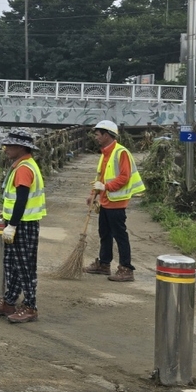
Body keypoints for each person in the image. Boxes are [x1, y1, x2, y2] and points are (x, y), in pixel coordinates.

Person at [0, 130, 46, 324]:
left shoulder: (24, 169)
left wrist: (12, 225)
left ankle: (30, 306)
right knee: (11, 264)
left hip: (23, 224)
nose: (5, 149)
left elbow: (21, 200)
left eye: (9, 146)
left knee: (24, 267)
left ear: (21, 148)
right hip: (18, 222)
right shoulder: (22, 165)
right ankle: (10, 301)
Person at [83, 119, 145, 282]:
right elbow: (100, 177)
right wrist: (93, 194)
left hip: (117, 201)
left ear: (106, 135)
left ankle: (126, 268)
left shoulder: (121, 152)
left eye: (97, 134)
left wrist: (106, 187)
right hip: (105, 200)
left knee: (119, 235)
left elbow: (124, 177)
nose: (95, 137)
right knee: (105, 233)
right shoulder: (105, 153)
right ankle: (104, 264)